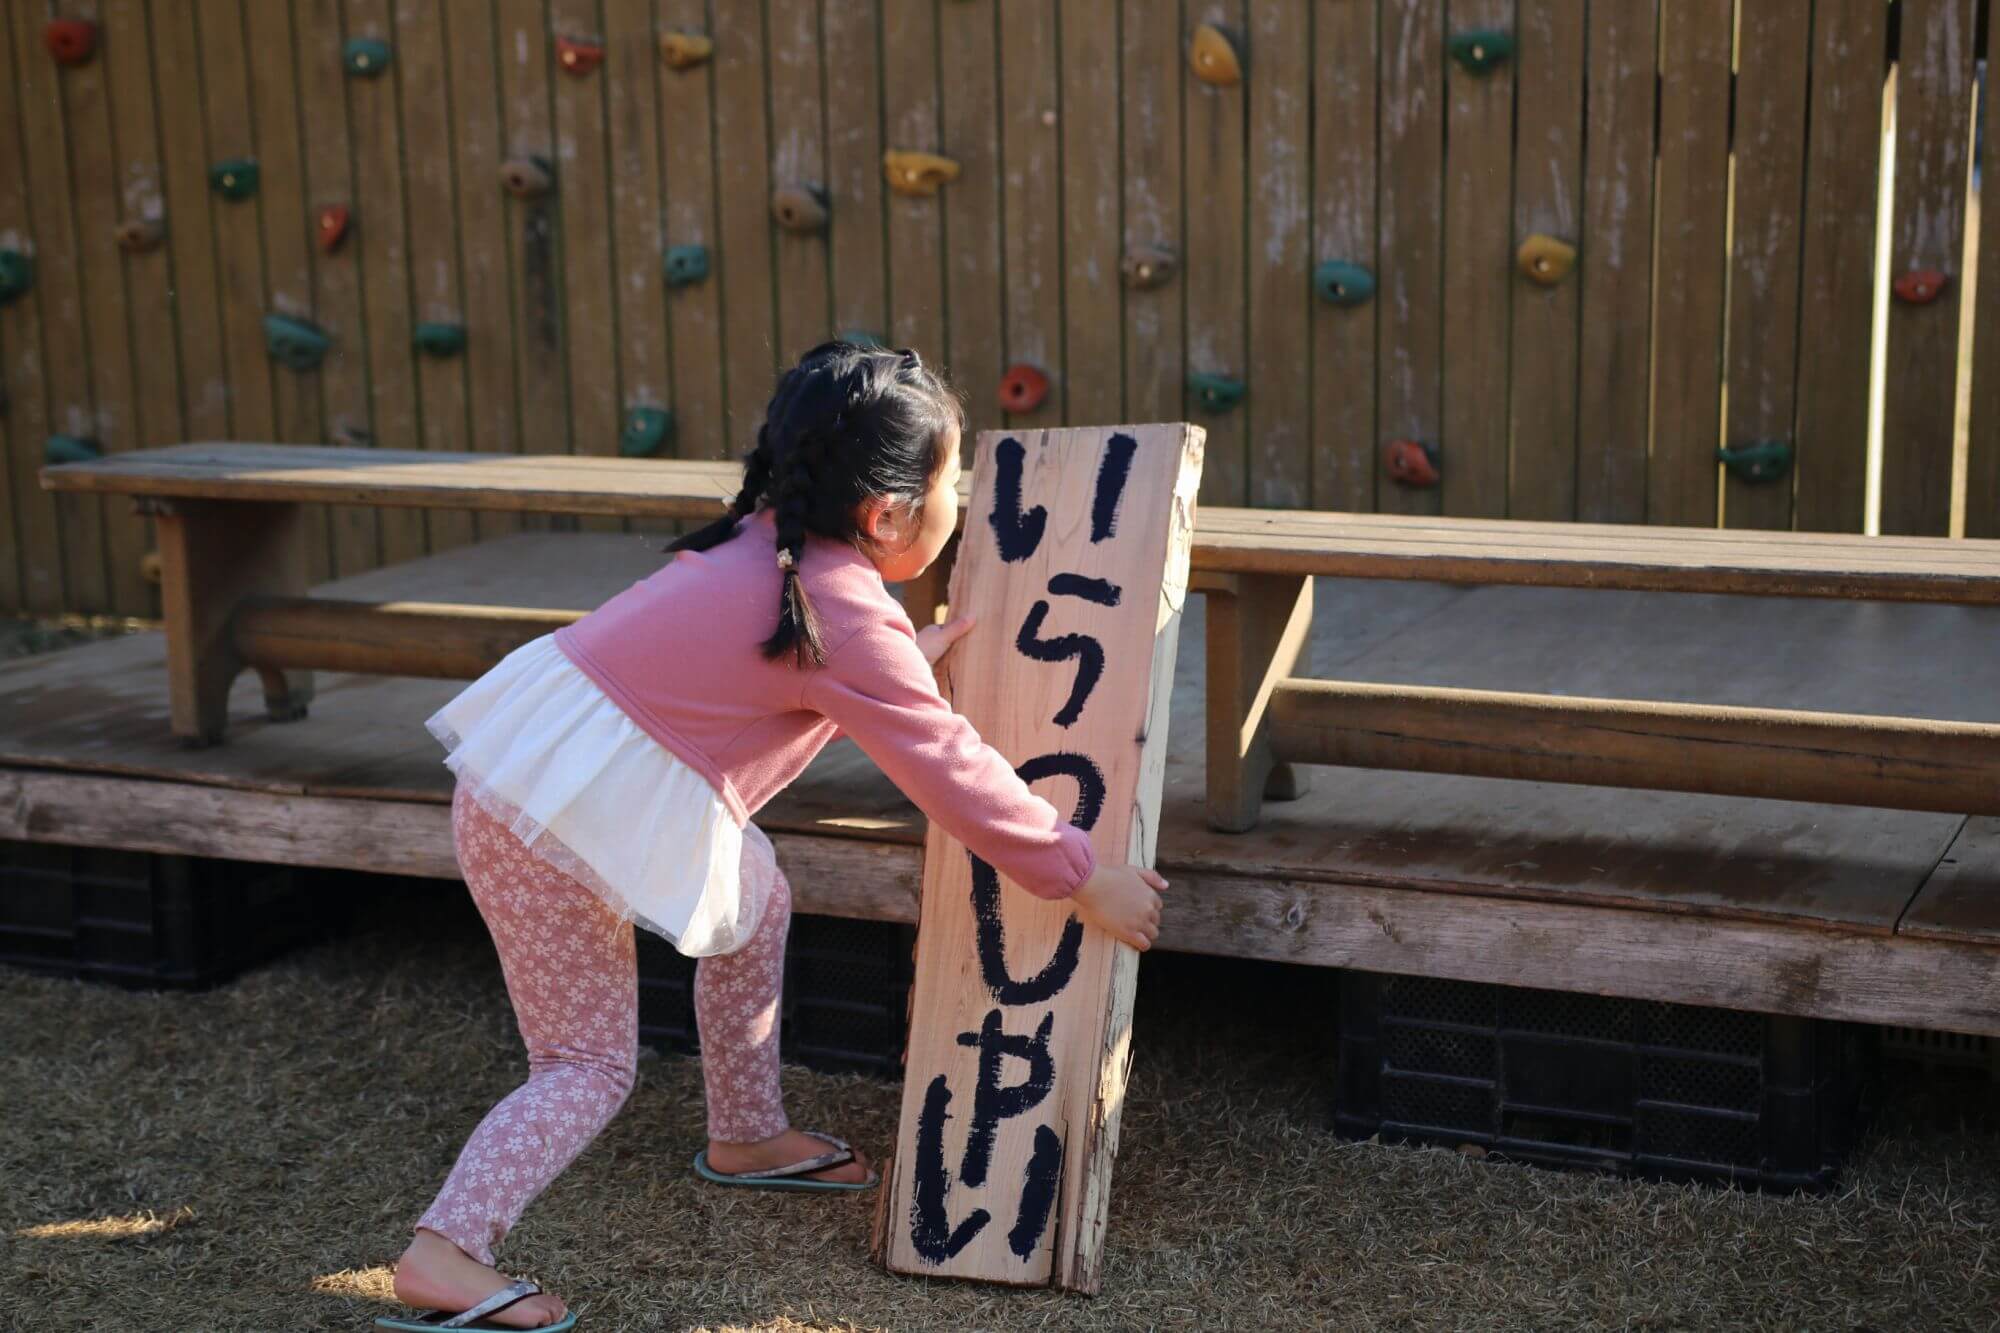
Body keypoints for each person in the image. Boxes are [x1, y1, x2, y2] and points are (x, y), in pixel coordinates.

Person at [379, 341, 1169, 1330]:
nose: (959, 498)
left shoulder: (766, 544)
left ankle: (747, 1132)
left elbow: (771, 659)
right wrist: (1078, 871)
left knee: (760, 901)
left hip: (539, 789)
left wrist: (897, 660)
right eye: (952, 481)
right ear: (887, 514)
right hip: (550, 828)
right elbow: (957, 777)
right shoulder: (837, 610)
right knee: (584, 1063)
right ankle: (446, 1250)